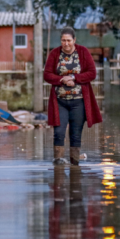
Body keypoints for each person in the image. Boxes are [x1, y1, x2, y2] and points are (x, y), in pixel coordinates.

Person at [44, 27, 103, 165]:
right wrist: (61, 79)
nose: (66, 43)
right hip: (60, 101)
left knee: (75, 134)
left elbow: (92, 73)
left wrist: (74, 78)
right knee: (59, 132)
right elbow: (47, 74)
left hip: (79, 101)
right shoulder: (54, 54)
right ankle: (58, 162)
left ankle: (74, 163)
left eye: (69, 40)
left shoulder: (83, 52)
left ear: (74, 40)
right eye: (63, 40)